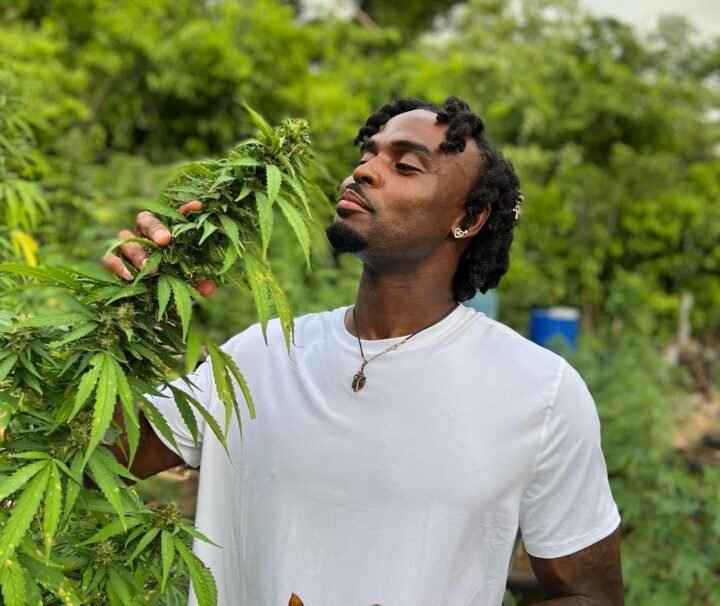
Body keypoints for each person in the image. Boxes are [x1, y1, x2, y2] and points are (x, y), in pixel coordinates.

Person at [102, 97, 624, 605]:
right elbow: (90, 460)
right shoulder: (257, 356)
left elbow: (590, 594)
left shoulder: (538, 391)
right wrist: (137, 314)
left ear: (470, 218)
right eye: (367, 155)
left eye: (406, 165)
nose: (366, 171)